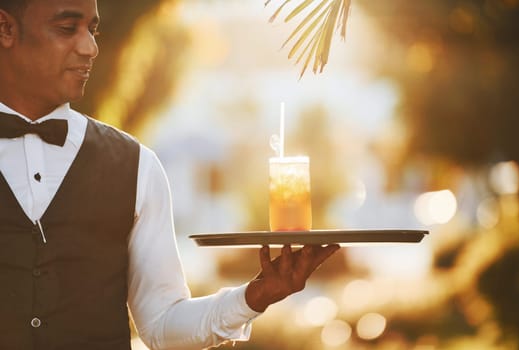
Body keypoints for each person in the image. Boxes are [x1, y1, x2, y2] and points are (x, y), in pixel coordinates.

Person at [0, 0, 340, 349]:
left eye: (93, 30)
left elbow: (162, 325)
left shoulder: (136, 165)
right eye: (67, 28)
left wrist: (253, 297)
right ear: (6, 29)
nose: (90, 48)